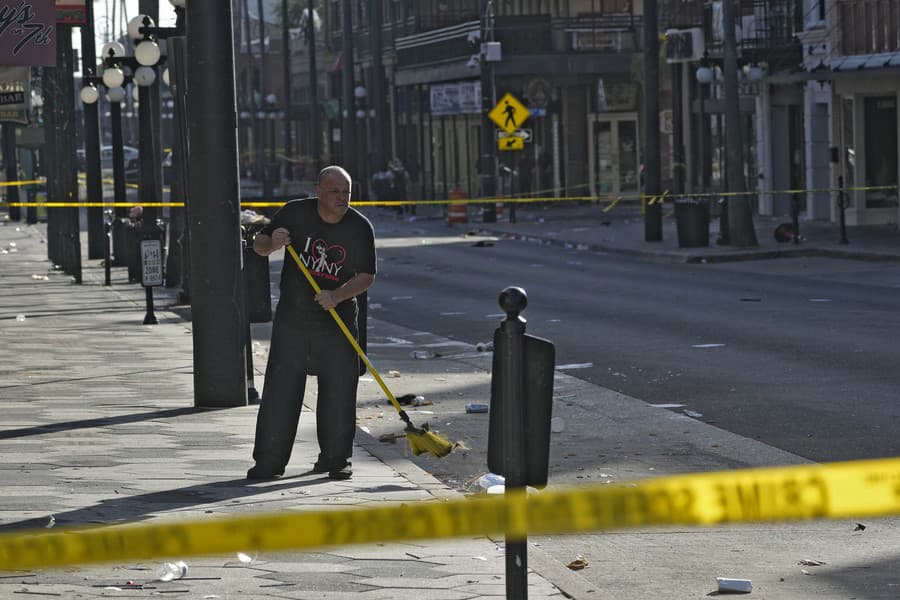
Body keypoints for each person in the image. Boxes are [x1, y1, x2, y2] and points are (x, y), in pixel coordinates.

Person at [247, 165, 376, 481]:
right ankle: (269, 462)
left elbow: (366, 276)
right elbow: (258, 246)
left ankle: (336, 459)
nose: (342, 198)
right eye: (334, 191)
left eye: (346, 192)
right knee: (281, 391)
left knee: (338, 392)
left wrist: (337, 295)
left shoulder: (360, 227)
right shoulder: (295, 213)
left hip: (338, 321)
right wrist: (273, 242)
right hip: (294, 320)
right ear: (318, 191)